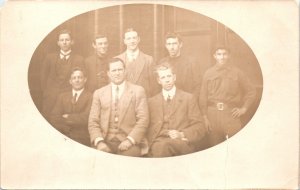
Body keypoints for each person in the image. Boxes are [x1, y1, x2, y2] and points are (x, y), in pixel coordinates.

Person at [88, 58, 149, 156]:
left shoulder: (138, 91)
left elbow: (143, 120)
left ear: (125, 71)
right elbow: (93, 121)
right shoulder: (99, 93)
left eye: (120, 70)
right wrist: (99, 142)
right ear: (108, 73)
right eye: (114, 70)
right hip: (105, 140)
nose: (117, 73)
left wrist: (130, 140)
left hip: (130, 141)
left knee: (128, 162)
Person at [199, 45, 256, 147]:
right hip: (212, 115)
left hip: (231, 115)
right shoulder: (208, 73)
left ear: (229, 56)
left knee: (235, 147)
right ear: (214, 56)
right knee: (215, 147)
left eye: (224, 54)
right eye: (219, 54)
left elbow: (251, 91)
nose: (222, 57)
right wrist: (204, 117)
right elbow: (202, 96)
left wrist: (244, 109)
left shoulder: (237, 72)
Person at [147, 63, 206, 157]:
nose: (167, 80)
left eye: (169, 76)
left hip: (181, 143)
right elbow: (146, 126)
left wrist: (182, 134)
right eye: (163, 77)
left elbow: (200, 127)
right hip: (158, 141)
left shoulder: (188, 98)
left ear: (174, 77)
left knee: (163, 147)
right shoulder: (151, 102)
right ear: (158, 81)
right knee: (160, 147)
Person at [40, 29, 84, 119]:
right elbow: (43, 79)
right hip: (50, 98)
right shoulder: (49, 58)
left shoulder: (79, 59)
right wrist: (48, 93)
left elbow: (81, 81)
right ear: (58, 43)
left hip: (68, 99)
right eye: (62, 40)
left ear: (72, 42)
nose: (64, 42)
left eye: (67, 40)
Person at [50, 67, 92, 146]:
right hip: (63, 135)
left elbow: (86, 118)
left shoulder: (90, 96)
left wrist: (68, 116)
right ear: (70, 81)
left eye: (80, 77)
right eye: (74, 78)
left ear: (85, 79)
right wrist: (65, 129)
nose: (77, 80)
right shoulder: (62, 96)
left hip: (82, 138)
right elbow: (54, 117)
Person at [115, 28, 158, 97]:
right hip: (124, 102)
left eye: (134, 38)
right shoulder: (117, 60)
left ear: (138, 39)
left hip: (143, 102)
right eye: (129, 39)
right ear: (124, 41)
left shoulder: (148, 60)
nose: (132, 41)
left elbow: (154, 87)